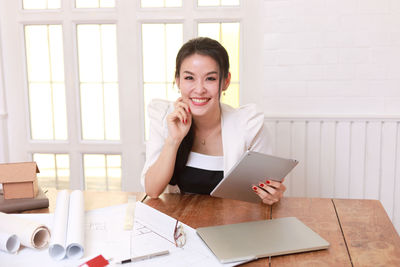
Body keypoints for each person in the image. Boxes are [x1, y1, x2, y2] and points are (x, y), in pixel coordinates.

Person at [141, 37, 286, 205]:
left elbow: (262, 195)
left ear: (225, 81)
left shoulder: (249, 125)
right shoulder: (164, 118)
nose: (199, 89)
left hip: (231, 226)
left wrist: (271, 195)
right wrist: (174, 140)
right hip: (179, 226)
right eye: (189, 78)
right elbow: (151, 190)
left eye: (210, 78)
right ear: (178, 80)